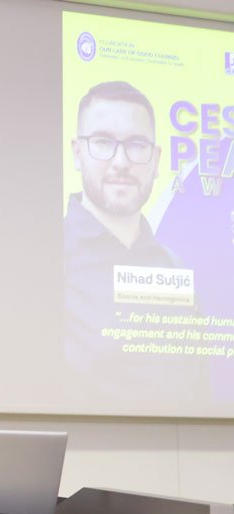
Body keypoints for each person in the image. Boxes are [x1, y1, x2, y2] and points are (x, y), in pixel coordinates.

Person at [64, 80, 201, 402]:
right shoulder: (44, 258)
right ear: (77, 153)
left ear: (156, 160)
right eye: (103, 142)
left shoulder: (176, 269)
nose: (121, 161)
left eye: (137, 145)